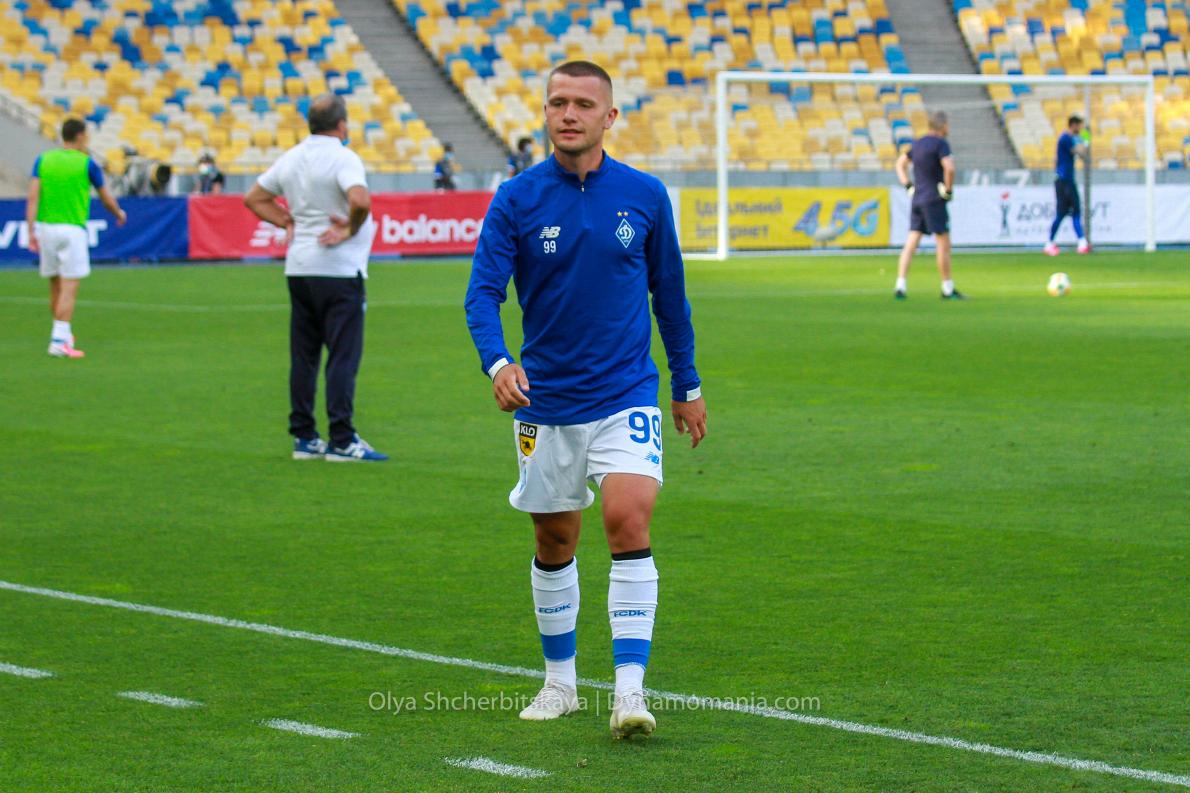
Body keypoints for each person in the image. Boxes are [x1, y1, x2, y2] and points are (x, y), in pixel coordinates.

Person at [465, 60, 707, 740]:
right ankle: (561, 683)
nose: (568, 114)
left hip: (627, 392)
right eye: (557, 103)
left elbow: (670, 296)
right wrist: (498, 362)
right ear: (545, 112)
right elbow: (482, 293)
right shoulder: (516, 199)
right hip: (546, 403)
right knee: (555, 539)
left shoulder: (645, 195)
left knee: (628, 518)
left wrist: (685, 385)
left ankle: (630, 691)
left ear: (610, 117)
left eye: (582, 104)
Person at [243, 93, 387, 462]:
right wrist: (349, 229)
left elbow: (254, 198)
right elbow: (361, 201)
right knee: (342, 356)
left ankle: (304, 437)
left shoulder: (292, 157)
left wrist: (286, 220)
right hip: (338, 268)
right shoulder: (343, 157)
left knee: (304, 356)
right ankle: (342, 438)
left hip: (299, 267)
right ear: (342, 125)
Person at [26, 117, 127, 358]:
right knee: (70, 286)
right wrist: (119, 213)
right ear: (80, 136)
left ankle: (63, 334)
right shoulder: (87, 163)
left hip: (47, 227)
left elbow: (33, 197)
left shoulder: (44, 160)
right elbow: (105, 197)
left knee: (55, 284)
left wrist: (31, 230)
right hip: (72, 229)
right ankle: (58, 341)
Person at [893, 111, 962, 300]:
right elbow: (950, 168)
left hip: (917, 198)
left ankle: (900, 284)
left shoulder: (917, 143)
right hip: (934, 199)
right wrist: (948, 190)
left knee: (911, 242)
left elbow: (900, 164)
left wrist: (908, 185)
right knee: (943, 244)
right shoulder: (941, 144)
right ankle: (947, 288)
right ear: (943, 126)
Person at [1045, 115, 1090, 256]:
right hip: (1064, 181)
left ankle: (1080, 242)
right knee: (1067, 212)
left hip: (1066, 180)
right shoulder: (1065, 138)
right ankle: (1053, 243)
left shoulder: (1068, 138)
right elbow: (1081, 152)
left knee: (1069, 212)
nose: (1080, 129)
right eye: (1079, 126)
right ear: (1074, 125)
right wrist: (1086, 137)